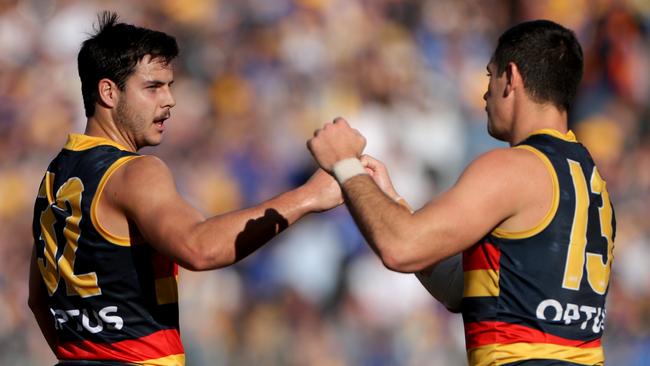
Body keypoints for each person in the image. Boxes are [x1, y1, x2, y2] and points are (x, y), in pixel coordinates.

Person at [28, 12, 342, 366]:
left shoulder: (54, 175)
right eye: (152, 87)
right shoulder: (135, 173)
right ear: (108, 92)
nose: (169, 100)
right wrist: (309, 196)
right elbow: (200, 248)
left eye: (169, 85)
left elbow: (38, 301)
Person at [308, 19, 615, 365]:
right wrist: (394, 206)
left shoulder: (513, 168)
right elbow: (462, 289)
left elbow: (400, 248)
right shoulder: (592, 180)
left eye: (490, 75)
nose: (485, 93)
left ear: (511, 78)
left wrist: (345, 164)